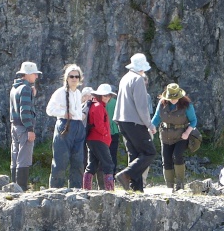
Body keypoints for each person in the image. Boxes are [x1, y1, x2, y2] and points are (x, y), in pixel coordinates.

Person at [114, 53, 157, 192]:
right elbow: (142, 106)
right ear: (142, 67)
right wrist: (150, 125)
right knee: (149, 152)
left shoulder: (125, 78)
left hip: (122, 121)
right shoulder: (138, 79)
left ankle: (136, 188)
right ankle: (126, 175)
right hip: (135, 122)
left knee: (134, 155)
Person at [151, 83, 197, 190]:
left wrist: (187, 133)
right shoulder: (162, 104)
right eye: (171, 98)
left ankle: (180, 184)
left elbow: (193, 121)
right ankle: (169, 187)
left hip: (181, 135)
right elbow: (157, 117)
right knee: (166, 160)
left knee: (177, 156)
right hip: (165, 135)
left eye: (175, 98)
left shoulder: (186, 105)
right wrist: (151, 127)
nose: (173, 100)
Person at [46, 64, 86, 188]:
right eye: (71, 76)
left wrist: (80, 115)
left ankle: (76, 189)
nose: (74, 79)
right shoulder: (60, 92)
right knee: (61, 160)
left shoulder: (78, 93)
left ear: (80, 78)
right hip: (65, 125)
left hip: (78, 126)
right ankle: (55, 190)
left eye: (76, 76)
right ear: (66, 78)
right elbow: (49, 109)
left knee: (78, 160)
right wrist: (63, 114)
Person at [9, 61, 41, 191]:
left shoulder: (14, 88)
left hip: (14, 126)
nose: (36, 76)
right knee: (24, 158)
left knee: (15, 156)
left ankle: (13, 186)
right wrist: (30, 129)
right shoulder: (26, 88)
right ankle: (21, 188)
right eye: (34, 74)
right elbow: (25, 111)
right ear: (28, 74)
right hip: (23, 127)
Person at [83, 84, 116, 191]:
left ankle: (86, 190)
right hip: (99, 139)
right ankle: (109, 191)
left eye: (108, 95)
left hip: (93, 139)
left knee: (92, 165)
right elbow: (99, 125)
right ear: (99, 95)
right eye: (104, 95)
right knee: (108, 164)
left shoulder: (95, 105)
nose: (107, 97)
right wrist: (106, 134)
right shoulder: (98, 107)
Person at [81, 86, 94, 170]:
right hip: (82, 131)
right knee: (82, 154)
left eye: (91, 96)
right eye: (88, 96)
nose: (90, 98)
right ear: (84, 97)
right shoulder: (83, 105)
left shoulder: (93, 105)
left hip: (89, 132)